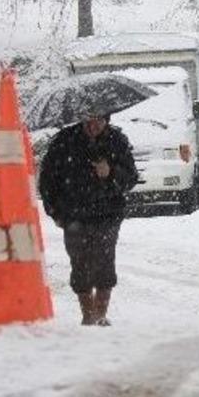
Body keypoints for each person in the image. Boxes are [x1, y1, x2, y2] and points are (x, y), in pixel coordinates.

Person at [38, 115, 139, 326]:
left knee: (104, 261)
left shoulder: (116, 141)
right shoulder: (65, 141)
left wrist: (111, 173)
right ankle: (88, 314)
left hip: (107, 214)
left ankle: (101, 314)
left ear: (106, 120)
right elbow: (47, 180)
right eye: (89, 120)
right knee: (80, 262)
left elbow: (131, 177)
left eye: (99, 120)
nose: (93, 126)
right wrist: (55, 212)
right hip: (74, 214)